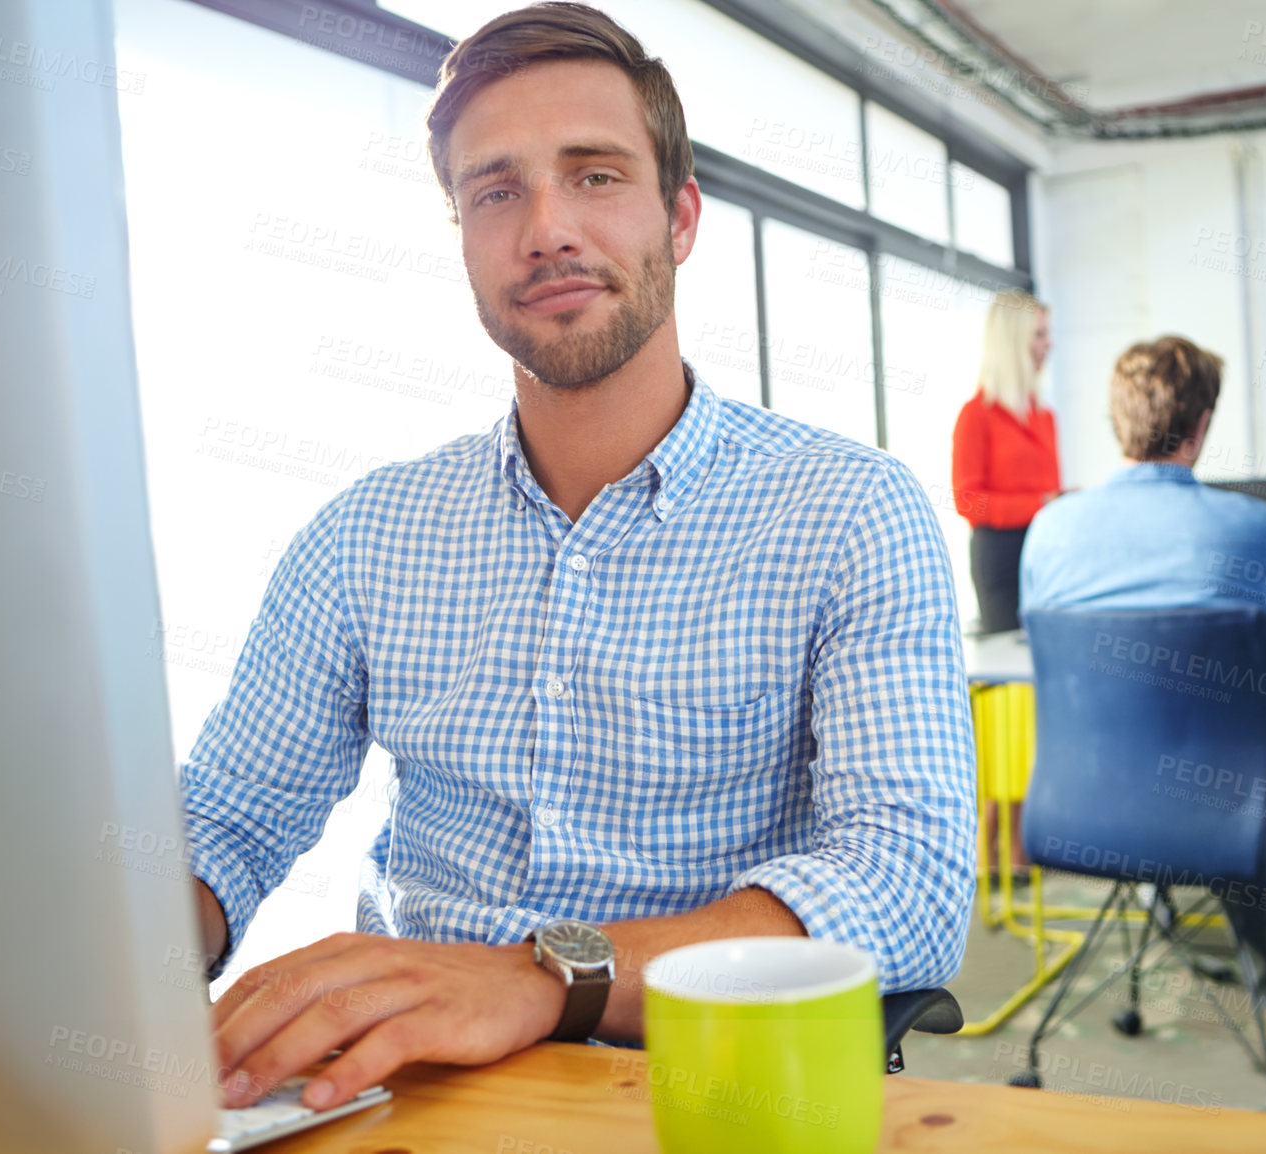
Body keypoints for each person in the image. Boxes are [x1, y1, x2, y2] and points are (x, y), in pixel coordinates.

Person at [182, 3, 975, 1113]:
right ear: (461, 233)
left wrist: (539, 973)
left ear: (681, 217)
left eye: (595, 175)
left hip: (708, 1094)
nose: (546, 226)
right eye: (496, 190)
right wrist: (88, 954)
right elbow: (225, 816)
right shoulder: (367, 531)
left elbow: (907, 880)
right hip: (397, 1096)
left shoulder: (847, 509)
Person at [1019, 335, 1266, 1046]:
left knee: (1222, 795)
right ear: (1203, 424)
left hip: (1080, 813)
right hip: (1225, 804)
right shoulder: (1254, 527)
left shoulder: (1048, 529)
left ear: (1116, 421)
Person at [951, 290, 1061, 636]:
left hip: (1045, 553)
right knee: (1009, 669)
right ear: (1014, 342)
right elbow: (967, 501)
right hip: (1000, 557)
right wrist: (1040, 504)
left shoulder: (1045, 417)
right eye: (1040, 335)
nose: (1049, 344)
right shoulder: (976, 416)